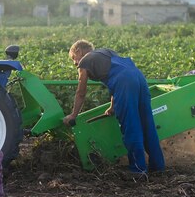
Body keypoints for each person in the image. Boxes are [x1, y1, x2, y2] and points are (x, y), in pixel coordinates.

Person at [63, 40, 165, 174]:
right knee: (147, 125)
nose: (75, 63)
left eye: (73, 59)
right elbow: (115, 76)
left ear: (78, 51)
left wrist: (73, 115)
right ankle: (158, 167)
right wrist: (112, 106)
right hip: (139, 78)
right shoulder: (106, 52)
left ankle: (138, 170)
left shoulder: (85, 61)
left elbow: (81, 92)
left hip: (125, 83)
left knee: (131, 126)